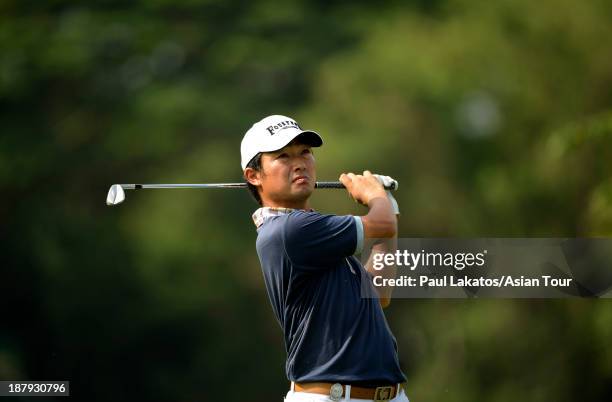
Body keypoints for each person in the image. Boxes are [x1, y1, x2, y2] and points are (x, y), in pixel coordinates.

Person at [241, 115, 409, 402]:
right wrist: (374, 197)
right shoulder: (289, 230)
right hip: (332, 397)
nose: (299, 163)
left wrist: (386, 205)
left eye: (304, 152)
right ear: (254, 176)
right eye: (283, 156)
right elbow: (380, 225)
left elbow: (378, 291)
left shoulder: (314, 231)